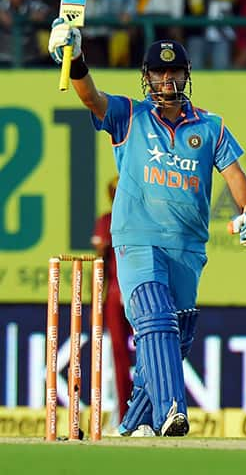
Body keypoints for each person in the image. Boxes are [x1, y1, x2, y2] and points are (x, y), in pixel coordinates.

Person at [48, 19, 246, 437]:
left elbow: (235, 173)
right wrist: (74, 57)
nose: (166, 79)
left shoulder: (210, 126)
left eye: (174, 72)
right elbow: (90, 96)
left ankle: (132, 425)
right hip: (137, 239)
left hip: (188, 247)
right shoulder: (129, 116)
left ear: (186, 76)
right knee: (154, 314)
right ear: (146, 77)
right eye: (158, 72)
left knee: (176, 336)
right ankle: (173, 409)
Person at [91, 176, 133, 425]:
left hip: (138, 293)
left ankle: (144, 411)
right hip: (115, 293)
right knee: (119, 354)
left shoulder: (141, 218)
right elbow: (99, 264)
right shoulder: (106, 220)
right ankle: (124, 414)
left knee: (148, 353)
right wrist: (96, 299)